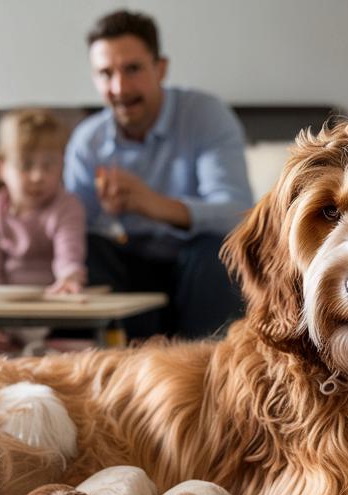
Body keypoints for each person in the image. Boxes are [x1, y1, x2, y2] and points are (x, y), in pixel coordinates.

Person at [65, 9, 252, 339]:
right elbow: (69, 227)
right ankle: (118, 367)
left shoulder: (205, 115)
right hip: (127, 271)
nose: (120, 87)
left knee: (215, 250)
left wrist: (154, 204)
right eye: (106, 74)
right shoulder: (87, 141)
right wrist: (107, 220)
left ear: (160, 68)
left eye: (133, 69)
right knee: (88, 247)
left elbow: (237, 212)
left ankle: (205, 365)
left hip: (194, 267)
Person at [0, 109, 87, 355]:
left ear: (63, 164)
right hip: (4, 311)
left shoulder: (66, 206)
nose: (38, 176)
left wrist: (70, 277)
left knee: (74, 349)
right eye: (26, 165)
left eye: (49, 165)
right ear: (0, 166)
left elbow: (69, 251)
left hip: (52, 311)